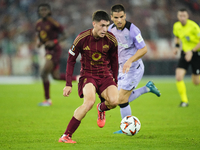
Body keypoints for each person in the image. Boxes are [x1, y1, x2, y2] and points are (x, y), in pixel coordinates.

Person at [58, 10, 119, 143]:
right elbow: (71, 60)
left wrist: (116, 80)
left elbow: (114, 61)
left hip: (105, 75)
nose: (105, 29)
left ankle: (101, 108)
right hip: (88, 76)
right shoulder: (82, 38)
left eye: (107, 26)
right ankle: (66, 135)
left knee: (115, 101)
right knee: (89, 102)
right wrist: (68, 83)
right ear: (94, 24)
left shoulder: (111, 39)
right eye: (102, 25)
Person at [108, 4, 161, 134]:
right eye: (116, 17)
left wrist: (130, 60)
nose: (119, 20)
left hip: (134, 68)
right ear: (111, 18)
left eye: (121, 17)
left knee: (120, 99)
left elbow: (144, 49)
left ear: (125, 16)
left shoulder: (133, 30)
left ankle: (125, 128)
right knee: (119, 98)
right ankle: (147, 88)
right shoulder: (110, 29)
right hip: (121, 68)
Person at [35, 3, 79, 106]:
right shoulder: (38, 24)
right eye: (41, 10)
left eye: (45, 10)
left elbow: (65, 34)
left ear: (49, 11)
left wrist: (54, 42)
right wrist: (40, 43)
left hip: (54, 50)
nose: (43, 12)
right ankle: (78, 78)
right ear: (39, 12)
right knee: (56, 76)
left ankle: (47, 100)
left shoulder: (53, 23)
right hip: (47, 50)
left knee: (43, 73)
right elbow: (42, 37)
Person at [173, 8, 200, 107]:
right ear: (178, 16)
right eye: (180, 16)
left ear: (188, 16)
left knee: (196, 82)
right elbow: (177, 36)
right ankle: (184, 101)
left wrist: (192, 52)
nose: (182, 18)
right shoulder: (176, 26)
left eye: (184, 16)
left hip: (196, 54)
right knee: (179, 76)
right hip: (184, 53)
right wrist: (176, 47)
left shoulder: (194, 26)